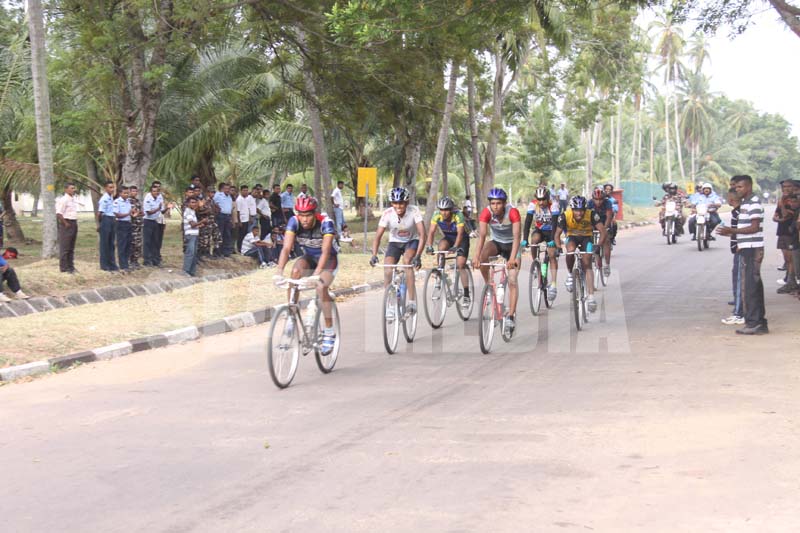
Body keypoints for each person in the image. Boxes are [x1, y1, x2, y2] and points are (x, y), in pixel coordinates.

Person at [275, 196, 340, 355]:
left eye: (308, 215)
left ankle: (329, 332)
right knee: (295, 273)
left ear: (314, 213)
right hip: (309, 257)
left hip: (328, 260)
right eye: (301, 215)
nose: (304, 219)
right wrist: (278, 272)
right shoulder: (294, 222)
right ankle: (291, 319)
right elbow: (286, 248)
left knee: (320, 287)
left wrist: (316, 275)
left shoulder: (326, 223)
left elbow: (325, 251)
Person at [717, 175, 767, 335]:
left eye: (740, 187)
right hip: (747, 247)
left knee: (750, 287)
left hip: (752, 249)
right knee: (753, 286)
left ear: (749, 187)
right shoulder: (745, 203)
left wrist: (732, 231)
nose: (737, 190)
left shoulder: (753, 203)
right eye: (735, 187)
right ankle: (758, 322)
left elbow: (754, 227)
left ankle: (754, 322)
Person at [369, 187, 425, 317]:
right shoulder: (387, 214)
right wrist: (374, 255)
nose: (398, 206)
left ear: (406, 202)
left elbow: (422, 234)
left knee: (407, 263)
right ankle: (390, 304)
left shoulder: (414, 211)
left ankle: (411, 302)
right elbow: (377, 237)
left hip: (412, 241)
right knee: (388, 269)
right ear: (391, 203)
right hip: (394, 242)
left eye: (401, 203)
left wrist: (418, 256)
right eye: (395, 203)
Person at [474, 187, 522, 336]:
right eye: (493, 203)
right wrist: (476, 257)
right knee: (482, 259)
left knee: (512, 279)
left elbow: (516, 237)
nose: (496, 206)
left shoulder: (513, 212)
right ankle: (489, 287)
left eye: (499, 203)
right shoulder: (486, 213)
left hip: (512, 246)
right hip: (497, 242)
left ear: (504, 203)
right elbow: (482, 236)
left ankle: (511, 316)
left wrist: (513, 258)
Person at [554, 195, 606, 313]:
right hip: (572, 237)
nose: (579, 213)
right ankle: (569, 274)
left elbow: (603, 232)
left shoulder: (591, 214)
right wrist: (558, 247)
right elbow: (557, 234)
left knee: (587, 263)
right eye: (576, 210)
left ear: (585, 209)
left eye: (582, 210)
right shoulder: (565, 216)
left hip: (586, 237)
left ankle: (591, 297)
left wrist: (598, 245)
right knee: (570, 250)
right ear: (572, 209)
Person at [426, 196, 471, 309]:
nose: (444, 213)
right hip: (448, 238)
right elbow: (431, 232)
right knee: (441, 248)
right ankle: (441, 274)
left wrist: (455, 247)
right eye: (441, 210)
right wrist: (429, 246)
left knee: (460, 265)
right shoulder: (436, 215)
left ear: (451, 210)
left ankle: (466, 294)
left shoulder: (458, 215)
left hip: (462, 240)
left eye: (446, 210)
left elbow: (460, 234)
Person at [522, 186, 561, 302]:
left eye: (543, 199)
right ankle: (536, 264)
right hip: (540, 230)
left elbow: (554, 224)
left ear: (548, 198)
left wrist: (553, 240)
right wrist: (525, 239)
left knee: (552, 254)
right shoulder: (533, 205)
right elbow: (528, 222)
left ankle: (553, 284)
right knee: (534, 241)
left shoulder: (553, 205)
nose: (541, 202)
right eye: (539, 199)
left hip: (551, 231)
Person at [722, 188, 744, 325]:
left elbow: (745, 230)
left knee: (739, 280)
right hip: (739, 247)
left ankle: (739, 313)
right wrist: (729, 233)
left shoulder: (739, 212)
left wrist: (739, 242)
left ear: (730, 199)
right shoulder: (737, 211)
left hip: (741, 249)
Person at [774, 179, 798, 293]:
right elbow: (776, 216)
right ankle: (789, 279)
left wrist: (783, 204)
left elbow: (785, 215)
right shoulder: (781, 200)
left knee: (791, 258)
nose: (786, 189)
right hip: (782, 231)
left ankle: (791, 281)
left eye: (788, 186)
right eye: (784, 187)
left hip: (791, 232)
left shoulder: (794, 200)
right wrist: (779, 218)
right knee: (787, 259)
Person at [588, 186, 614, 277]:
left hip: (604, 223)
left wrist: (605, 229)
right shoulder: (590, 203)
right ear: (593, 198)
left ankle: (607, 264)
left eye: (600, 200)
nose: (598, 202)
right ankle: (594, 255)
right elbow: (587, 217)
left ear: (604, 199)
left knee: (606, 241)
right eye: (596, 199)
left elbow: (609, 217)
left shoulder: (608, 203)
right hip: (594, 223)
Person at [55, 182, 79, 273]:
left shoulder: (72, 199)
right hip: (67, 223)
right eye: (72, 188)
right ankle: (64, 268)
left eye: (74, 188)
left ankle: (71, 266)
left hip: (73, 222)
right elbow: (59, 213)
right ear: (66, 189)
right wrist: (65, 223)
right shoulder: (63, 200)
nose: (74, 190)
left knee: (71, 247)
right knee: (65, 247)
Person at [97, 181, 118, 272]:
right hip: (106, 220)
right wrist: (101, 224)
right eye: (110, 187)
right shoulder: (104, 199)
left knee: (111, 244)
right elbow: (100, 213)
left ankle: (112, 264)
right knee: (104, 244)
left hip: (111, 219)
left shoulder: (111, 198)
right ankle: (104, 265)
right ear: (105, 188)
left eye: (113, 187)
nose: (112, 189)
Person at [182, 196, 205, 277]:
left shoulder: (192, 211)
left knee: (194, 253)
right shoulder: (188, 211)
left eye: (195, 202)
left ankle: (192, 271)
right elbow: (192, 224)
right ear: (188, 203)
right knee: (190, 253)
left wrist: (200, 225)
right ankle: (186, 271)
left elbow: (193, 225)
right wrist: (202, 221)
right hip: (190, 235)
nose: (194, 204)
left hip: (195, 234)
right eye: (192, 202)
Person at [142, 182, 164, 267]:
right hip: (148, 221)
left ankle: (155, 260)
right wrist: (158, 208)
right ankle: (147, 260)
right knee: (147, 241)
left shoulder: (159, 198)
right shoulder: (148, 198)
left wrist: (167, 207)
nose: (156, 193)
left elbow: (162, 210)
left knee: (155, 241)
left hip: (155, 221)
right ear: (151, 192)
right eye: (154, 191)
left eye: (157, 191)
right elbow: (148, 212)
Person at [113, 186, 133, 272]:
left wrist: (132, 214)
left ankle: (126, 263)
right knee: (122, 244)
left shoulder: (128, 201)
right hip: (121, 224)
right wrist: (128, 214)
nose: (127, 194)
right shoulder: (117, 202)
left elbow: (130, 213)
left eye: (127, 193)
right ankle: (123, 265)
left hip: (128, 223)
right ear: (120, 193)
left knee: (128, 244)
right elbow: (117, 214)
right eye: (125, 193)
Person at [213, 182, 233, 257]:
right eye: (226, 188)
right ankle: (218, 251)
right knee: (219, 234)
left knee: (227, 234)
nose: (227, 190)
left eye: (229, 189)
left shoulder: (229, 197)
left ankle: (226, 252)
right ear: (223, 189)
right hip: (221, 216)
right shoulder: (218, 195)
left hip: (227, 216)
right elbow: (213, 203)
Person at [128, 185, 144, 269]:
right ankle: (131, 261)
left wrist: (140, 213)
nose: (134, 193)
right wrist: (135, 214)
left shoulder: (137, 201)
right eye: (133, 191)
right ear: (129, 192)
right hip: (132, 226)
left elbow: (141, 212)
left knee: (138, 244)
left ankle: (135, 261)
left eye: (136, 191)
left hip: (138, 225)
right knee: (132, 244)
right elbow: (130, 214)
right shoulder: (128, 201)